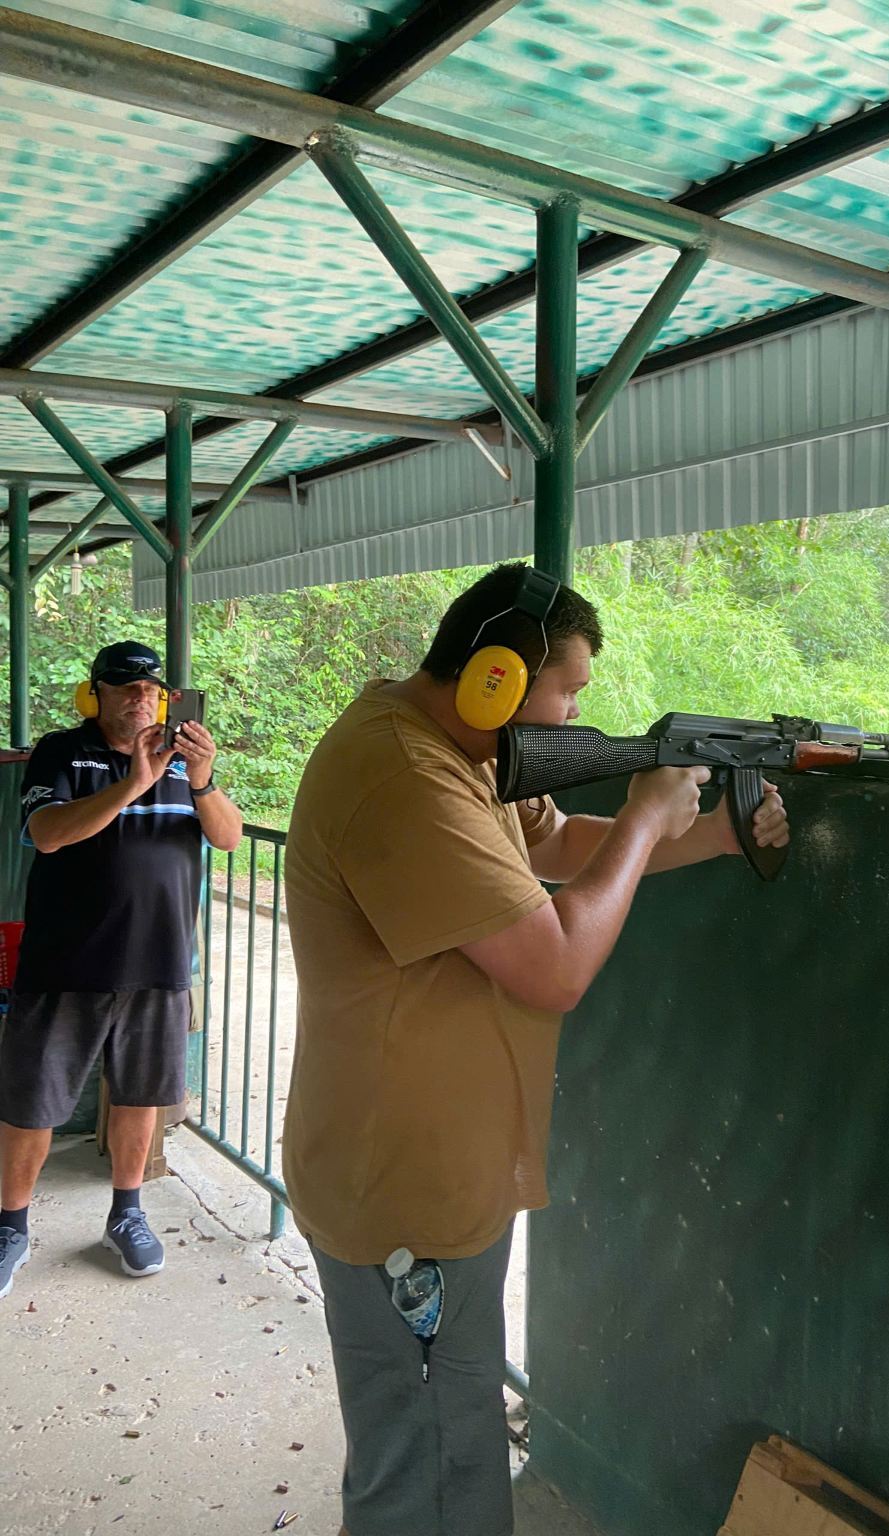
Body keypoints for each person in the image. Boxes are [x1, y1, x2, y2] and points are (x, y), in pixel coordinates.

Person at [282, 563, 789, 1536]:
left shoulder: (463, 752)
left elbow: (554, 849)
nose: (571, 715)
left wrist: (714, 836)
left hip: (449, 1183)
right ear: (497, 678)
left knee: (458, 1434)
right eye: (569, 691)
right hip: (401, 1190)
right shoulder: (404, 771)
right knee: (411, 1465)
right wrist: (646, 820)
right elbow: (554, 967)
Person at [0, 641, 243, 1299]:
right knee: (32, 1103)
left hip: (159, 962)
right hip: (65, 964)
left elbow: (228, 837)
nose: (141, 698)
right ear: (97, 694)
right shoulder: (62, 751)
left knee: (139, 1098)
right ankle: (11, 1226)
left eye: (151, 689)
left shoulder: (184, 763)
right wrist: (131, 784)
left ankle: (127, 1213)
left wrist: (201, 778)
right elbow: (47, 833)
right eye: (125, 687)